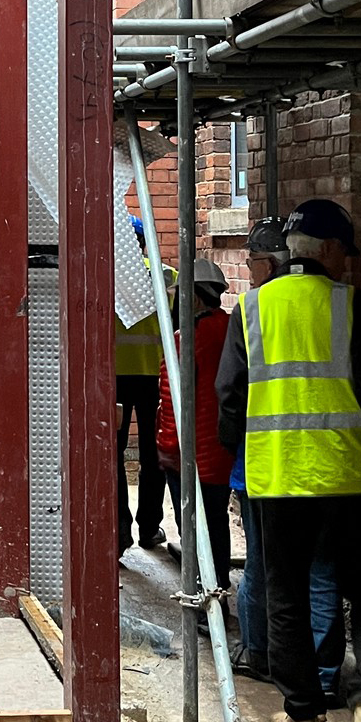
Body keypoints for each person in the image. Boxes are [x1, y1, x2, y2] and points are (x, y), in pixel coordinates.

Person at [216, 196, 361, 722]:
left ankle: (304, 719)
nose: (347, 262)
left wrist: (240, 453)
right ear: (325, 249)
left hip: (280, 478)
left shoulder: (251, 310)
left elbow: (230, 399)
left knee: (287, 595)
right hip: (352, 474)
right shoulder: (352, 305)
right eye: (345, 250)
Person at [232, 216, 346, 697]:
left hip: (268, 464)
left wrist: (227, 449)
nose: (249, 270)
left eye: (252, 261)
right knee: (321, 573)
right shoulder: (338, 302)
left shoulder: (254, 307)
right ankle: (323, 676)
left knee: (265, 567)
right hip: (333, 464)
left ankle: (263, 655)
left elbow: (230, 395)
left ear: (267, 262)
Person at [155, 256, 234, 591]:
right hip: (226, 449)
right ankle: (219, 582)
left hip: (190, 454)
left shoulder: (185, 338)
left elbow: (173, 401)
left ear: (195, 298)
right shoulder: (236, 329)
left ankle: (202, 596)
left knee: (192, 526)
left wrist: (166, 449)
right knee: (217, 521)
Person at [115, 216, 171, 554]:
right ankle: (150, 528)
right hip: (156, 377)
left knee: (113, 455)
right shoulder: (165, 276)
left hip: (116, 378)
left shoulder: (106, 273)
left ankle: (119, 532)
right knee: (155, 455)